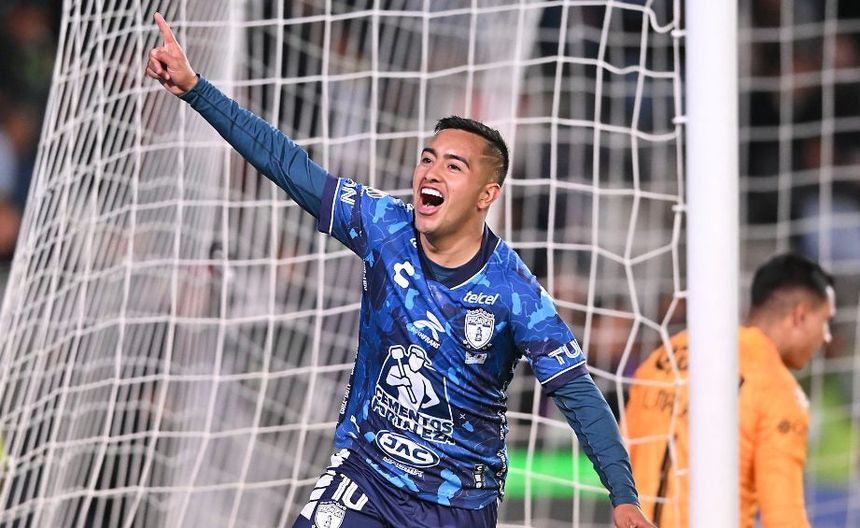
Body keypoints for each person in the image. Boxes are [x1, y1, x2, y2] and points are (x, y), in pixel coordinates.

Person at [146, 13, 654, 528]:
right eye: (428, 159)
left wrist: (623, 495)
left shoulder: (514, 293)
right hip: (365, 474)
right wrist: (195, 89)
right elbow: (287, 164)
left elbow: (577, 392)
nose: (431, 172)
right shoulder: (385, 226)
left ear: (487, 195)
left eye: (453, 166)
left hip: (455, 503)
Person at [625, 253, 836, 528]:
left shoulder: (662, 358)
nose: (827, 336)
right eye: (826, 321)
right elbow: (784, 518)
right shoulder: (777, 389)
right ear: (800, 316)